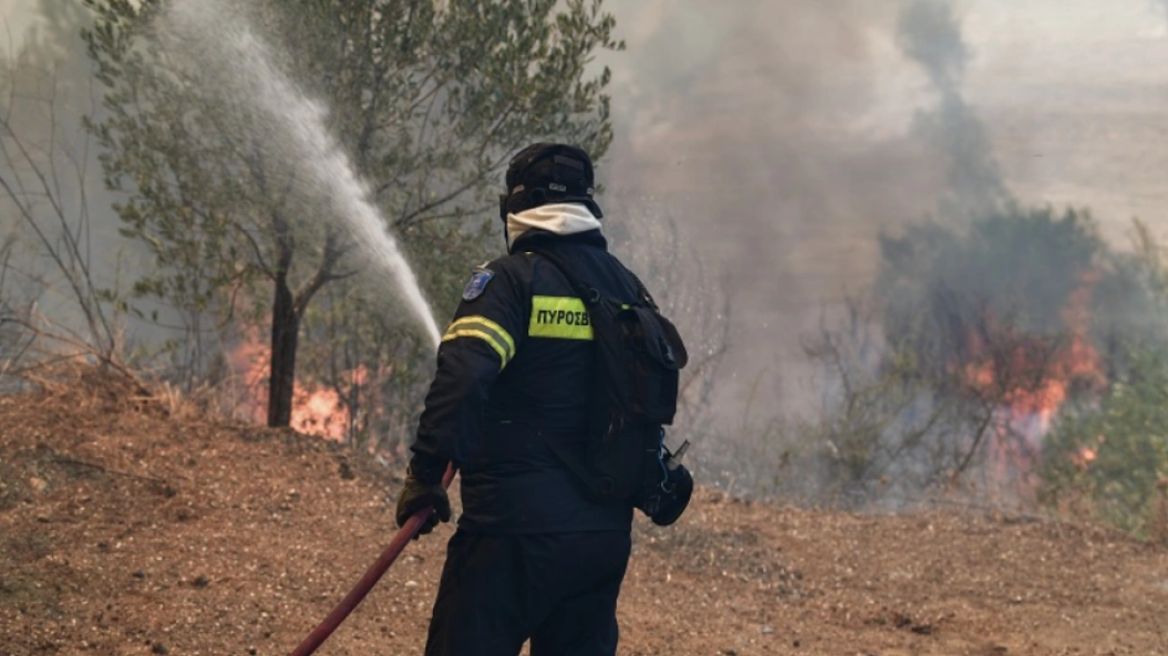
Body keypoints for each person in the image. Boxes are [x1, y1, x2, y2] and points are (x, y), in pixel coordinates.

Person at [395, 142, 691, 656]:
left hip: (509, 538)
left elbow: (463, 377)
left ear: (515, 206)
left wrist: (425, 474)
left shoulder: (509, 282)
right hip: (601, 540)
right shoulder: (629, 289)